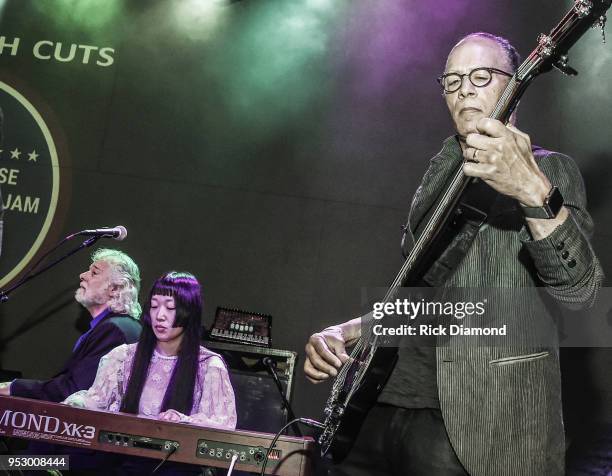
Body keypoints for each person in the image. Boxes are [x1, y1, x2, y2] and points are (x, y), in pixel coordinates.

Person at [304, 33, 603, 476]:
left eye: (481, 76)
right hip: (374, 409)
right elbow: (429, 300)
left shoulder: (549, 170)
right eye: (453, 80)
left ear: (514, 86)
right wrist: (346, 331)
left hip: (467, 424)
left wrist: (532, 190)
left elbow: (581, 291)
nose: (464, 88)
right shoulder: (440, 172)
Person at [63, 271, 236, 474]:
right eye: (154, 306)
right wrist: (71, 408)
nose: (159, 315)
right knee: (43, 458)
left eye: (170, 307)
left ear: (189, 312)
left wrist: (184, 421)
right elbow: (97, 401)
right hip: (120, 462)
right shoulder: (124, 356)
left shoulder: (208, 366)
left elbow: (223, 426)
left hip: (175, 468)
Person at [0, 248, 142, 400]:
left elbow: (75, 390)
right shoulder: (120, 326)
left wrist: (14, 387)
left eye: (94, 273)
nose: (82, 275)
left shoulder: (113, 330)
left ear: (115, 288)